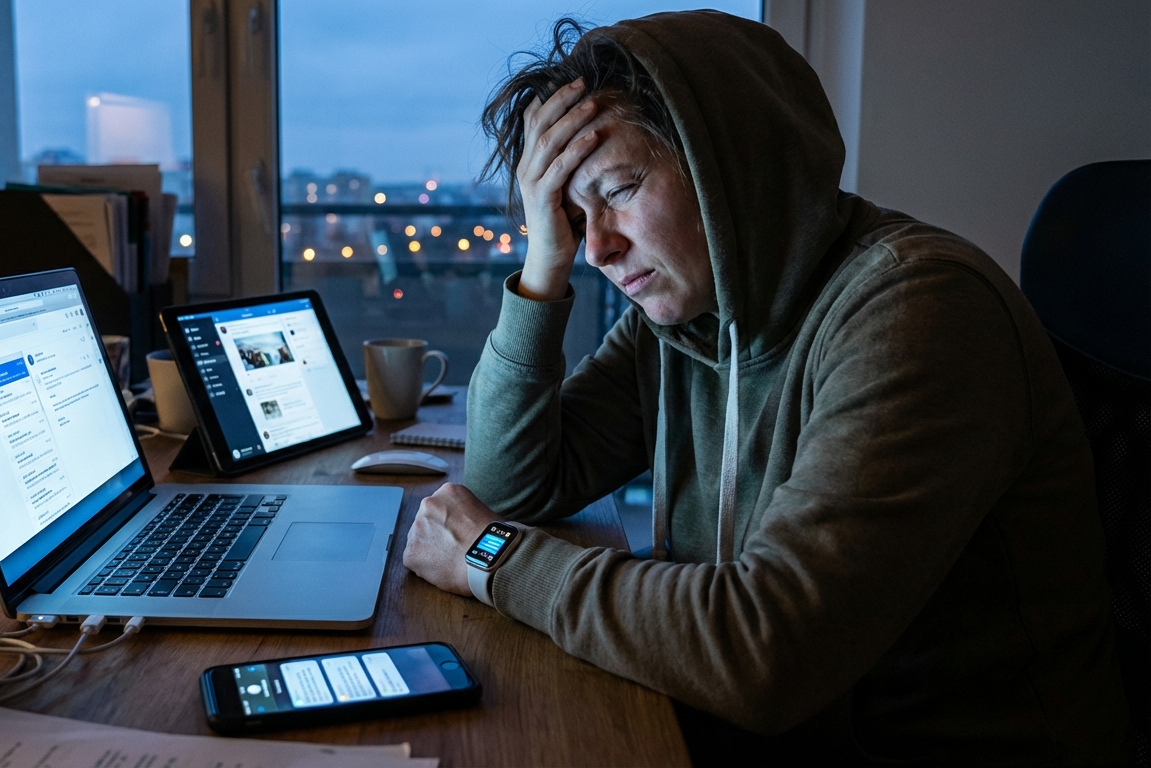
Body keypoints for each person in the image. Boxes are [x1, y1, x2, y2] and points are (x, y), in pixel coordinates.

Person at [401, 11, 1129, 765]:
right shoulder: (691, 316)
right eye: (569, 216)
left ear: (732, 165)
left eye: (617, 190)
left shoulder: (921, 310)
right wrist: (540, 265)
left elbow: (766, 653)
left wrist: (492, 556)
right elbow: (513, 482)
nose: (599, 248)